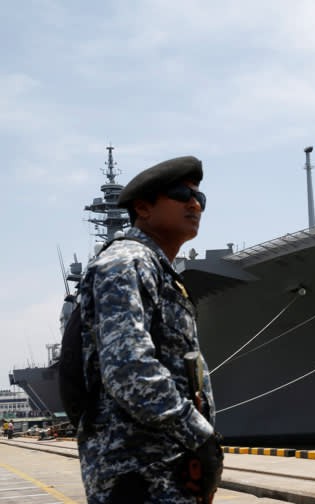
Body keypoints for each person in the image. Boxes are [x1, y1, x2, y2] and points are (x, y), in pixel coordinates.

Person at [76, 156, 222, 503]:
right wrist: (200, 435)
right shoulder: (127, 262)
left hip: (166, 471)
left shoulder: (160, 271)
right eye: (180, 194)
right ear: (142, 207)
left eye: (199, 198)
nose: (194, 204)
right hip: (139, 475)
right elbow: (129, 368)